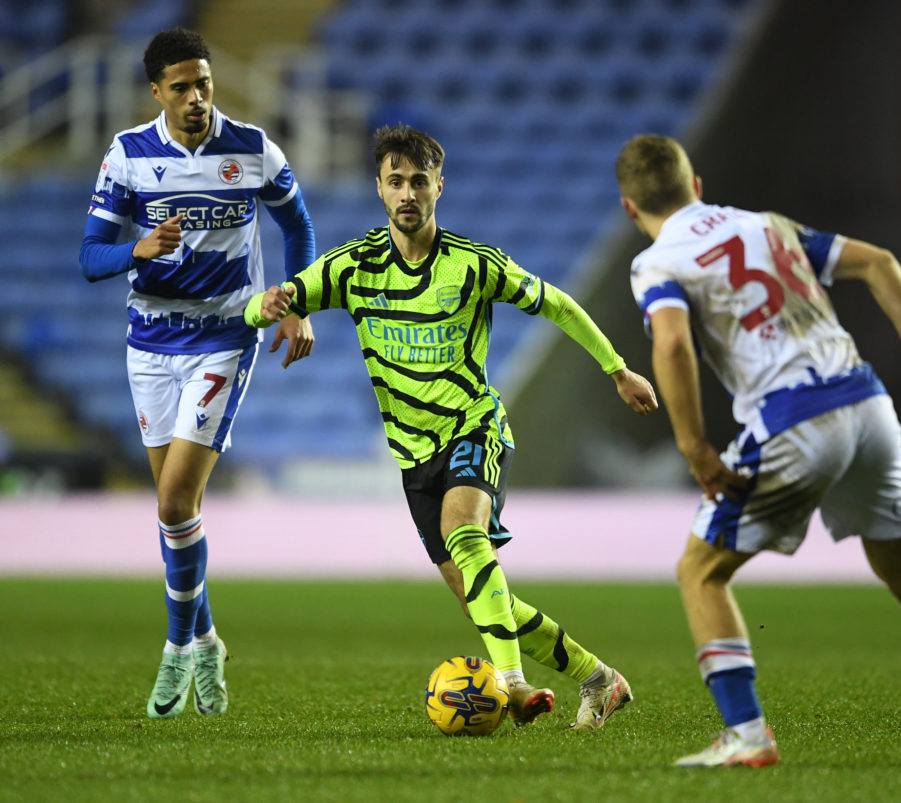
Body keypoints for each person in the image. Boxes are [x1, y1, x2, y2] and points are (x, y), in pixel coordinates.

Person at [244, 124, 658, 729]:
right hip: (413, 457)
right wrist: (272, 306)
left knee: (466, 536)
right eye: (395, 182)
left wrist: (618, 369)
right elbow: (261, 306)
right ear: (380, 190)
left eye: (418, 181)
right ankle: (600, 679)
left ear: (440, 185)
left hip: (475, 427)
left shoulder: (473, 265)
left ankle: (510, 684)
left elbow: (558, 304)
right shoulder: (351, 267)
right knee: (484, 604)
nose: (407, 193)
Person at [616, 134, 901, 767]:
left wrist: (695, 447)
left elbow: (673, 345)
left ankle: (747, 735)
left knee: (700, 571)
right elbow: (879, 262)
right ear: (697, 186)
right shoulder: (768, 226)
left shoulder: (657, 261)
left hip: (794, 419)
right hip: (869, 406)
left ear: (630, 209)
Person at [79, 28, 316, 719]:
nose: (195, 98)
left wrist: (295, 305)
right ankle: (208, 636)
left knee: (174, 500)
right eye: (180, 87)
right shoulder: (128, 156)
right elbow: (90, 257)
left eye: (203, 83)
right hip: (149, 345)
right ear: (155, 92)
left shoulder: (252, 148)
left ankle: (177, 646)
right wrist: (137, 247)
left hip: (224, 335)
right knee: (175, 511)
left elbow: (297, 227)